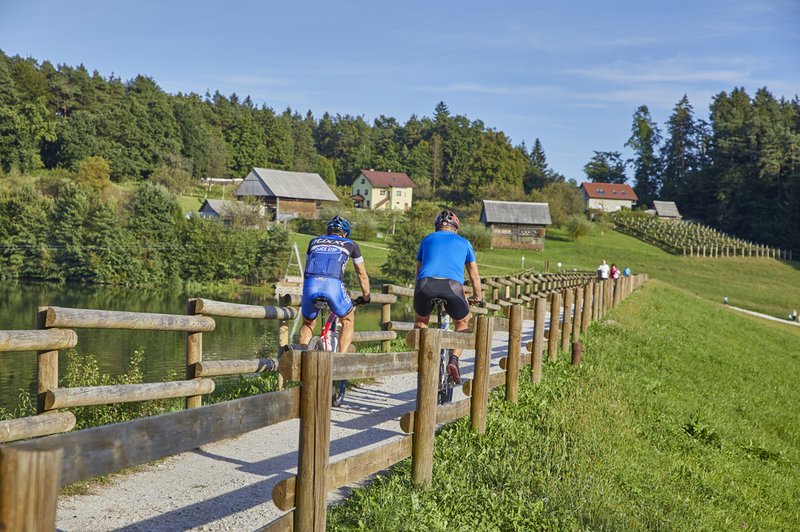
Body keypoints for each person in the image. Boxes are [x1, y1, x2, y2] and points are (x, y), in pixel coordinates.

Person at [414, 209, 484, 384]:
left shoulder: (427, 239)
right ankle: (454, 359)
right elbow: (474, 276)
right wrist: (477, 296)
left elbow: (418, 272)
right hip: (452, 287)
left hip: (426, 285)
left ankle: (422, 359)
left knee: (421, 322)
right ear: (455, 228)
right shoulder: (465, 242)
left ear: (438, 226)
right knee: (462, 324)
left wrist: (418, 294)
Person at [299, 215, 371, 355]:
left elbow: (308, 266)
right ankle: (340, 358)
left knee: (308, 323)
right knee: (348, 319)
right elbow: (362, 274)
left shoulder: (314, 241)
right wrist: (366, 296)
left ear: (328, 231)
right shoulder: (350, 244)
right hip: (332, 285)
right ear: (345, 233)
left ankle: (302, 357)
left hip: (310, 284)